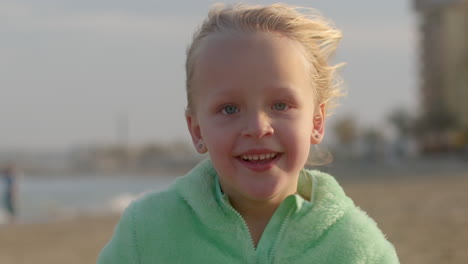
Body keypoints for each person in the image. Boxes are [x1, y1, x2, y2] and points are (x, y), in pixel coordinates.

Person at [98, 3, 399, 263]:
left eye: (280, 105)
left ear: (316, 123)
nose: (257, 128)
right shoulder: (147, 232)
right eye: (229, 109)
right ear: (197, 129)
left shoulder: (357, 248)